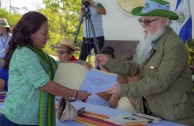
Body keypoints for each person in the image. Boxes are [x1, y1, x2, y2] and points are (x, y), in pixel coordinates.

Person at [95, 0, 194, 125]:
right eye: (141, 20)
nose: (142, 25)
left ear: (163, 21)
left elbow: (160, 82)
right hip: (152, 112)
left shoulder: (175, 46)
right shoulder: (150, 41)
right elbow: (133, 67)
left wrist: (123, 89)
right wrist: (109, 62)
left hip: (175, 117)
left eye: (147, 21)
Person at [0, 11, 92, 126]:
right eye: (44, 33)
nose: (48, 37)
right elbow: (45, 85)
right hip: (18, 119)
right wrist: (76, 94)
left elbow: (58, 66)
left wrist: (79, 63)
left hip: (28, 118)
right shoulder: (24, 53)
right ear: (30, 33)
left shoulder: (38, 53)